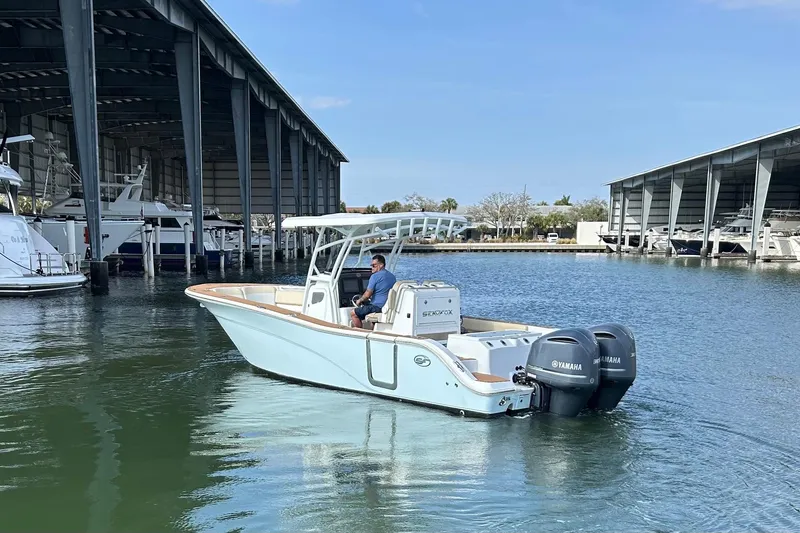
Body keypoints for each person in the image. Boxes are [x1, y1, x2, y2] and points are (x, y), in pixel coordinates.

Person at [351, 254, 396, 328]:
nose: (371, 267)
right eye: (371, 265)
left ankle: (360, 333)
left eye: (374, 265)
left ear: (381, 265)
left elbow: (368, 294)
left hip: (377, 306)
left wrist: (359, 300)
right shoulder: (392, 276)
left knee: (353, 313)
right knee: (368, 308)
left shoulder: (375, 276)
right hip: (387, 307)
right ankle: (372, 331)